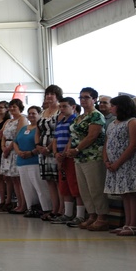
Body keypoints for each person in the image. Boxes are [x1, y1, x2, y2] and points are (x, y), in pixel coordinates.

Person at [66, 88, 110, 231]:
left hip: (93, 156)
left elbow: (92, 136)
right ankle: (91, 215)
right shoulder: (79, 117)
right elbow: (73, 135)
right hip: (79, 158)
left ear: (94, 99)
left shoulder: (96, 116)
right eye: (81, 97)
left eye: (86, 97)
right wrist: (69, 150)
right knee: (84, 189)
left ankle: (102, 217)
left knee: (95, 188)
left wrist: (77, 149)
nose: (83, 100)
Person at [103, 95, 136, 235]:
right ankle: (127, 223)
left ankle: (134, 225)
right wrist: (106, 160)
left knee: (133, 193)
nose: (111, 108)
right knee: (124, 194)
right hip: (115, 163)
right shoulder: (113, 123)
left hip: (129, 162)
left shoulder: (133, 122)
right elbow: (107, 143)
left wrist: (118, 162)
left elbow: (134, 144)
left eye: (113, 105)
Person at [52, 97, 85, 225]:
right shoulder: (60, 122)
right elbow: (55, 139)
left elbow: (72, 139)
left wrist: (64, 154)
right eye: (60, 107)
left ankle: (80, 215)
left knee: (75, 186)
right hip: (60, 157)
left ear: (73, 107)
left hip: (70, 157)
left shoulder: (75, 121)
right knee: (64, 186)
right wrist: (55, 153)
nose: (61, 109)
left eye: (64, 106)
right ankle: (67, 213)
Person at [14, 106, 51, 217]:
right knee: (27, 188)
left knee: (40, 187)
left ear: (39, 114)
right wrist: (19, 152)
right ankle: (31, 208)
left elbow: (40, 143)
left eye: (34, 113)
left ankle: (46, 208)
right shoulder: (23, 128)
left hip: (34, 161)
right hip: (22, 161)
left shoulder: (40, 128)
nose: (31, 115)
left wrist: (31, 153)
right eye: (29, 113)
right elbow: (15, 141)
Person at [36, 85, 63, 220]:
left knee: (58, 180)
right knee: (49, 181)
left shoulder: (60, 111)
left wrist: (49, 147)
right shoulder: (43, 112)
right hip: (43, 150)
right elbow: (38, 130)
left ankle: (62, 210)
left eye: (52, 94)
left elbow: (59, 131)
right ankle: (54, 208)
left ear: (57, 96)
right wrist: (38, 145)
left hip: (55, 148)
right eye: (47, 94)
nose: (49, 96)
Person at [1, 99, 28, 214]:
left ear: (20, 108)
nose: (12, 109)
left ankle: (24, 204)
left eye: (15, 107)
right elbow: (2, 135)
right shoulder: (8, 121)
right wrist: (3, 147)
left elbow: (17, 135)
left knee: (19, 178)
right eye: (10, 107)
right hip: (6, 149)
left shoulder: (22, 119)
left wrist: (8, 148)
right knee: (12, 179)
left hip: (14, 148)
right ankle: (18, 203)